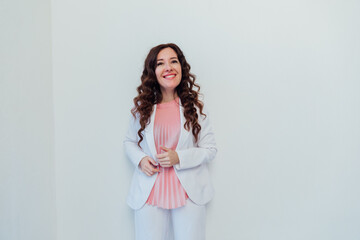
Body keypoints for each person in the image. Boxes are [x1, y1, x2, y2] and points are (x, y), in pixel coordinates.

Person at [124, 43, 217, 240]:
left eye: (173, 61)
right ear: (153, 71)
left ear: (181, 67)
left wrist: (179, 158)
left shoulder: (195, 106)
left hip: (188, 191)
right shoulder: (142, 107)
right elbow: (129, 142)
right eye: (161, 63)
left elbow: (210, 149)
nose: (168, 67)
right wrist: (140, 160)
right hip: (150, 190)